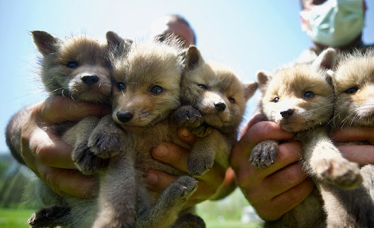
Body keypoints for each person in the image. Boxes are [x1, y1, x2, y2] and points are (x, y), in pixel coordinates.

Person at [5, 14, 231, 212]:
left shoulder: (199, 89)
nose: (169, 50)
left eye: (182, 47)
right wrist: (23, 129)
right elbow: (36, 114)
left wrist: (217, 182)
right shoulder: (114, 67)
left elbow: (229, 171)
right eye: (162, 39)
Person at [230, 0, 374, 225]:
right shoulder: (282, 77)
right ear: (304, 19)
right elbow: (229, 172)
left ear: (363, 5)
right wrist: (246, 179)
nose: (336, 3)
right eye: (319, 0)